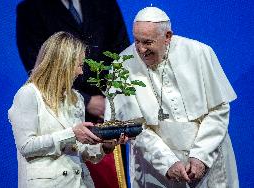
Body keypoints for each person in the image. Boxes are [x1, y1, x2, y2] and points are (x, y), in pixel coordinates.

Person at [105, 7, 239, 188]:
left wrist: (201, 156)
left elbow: (218, 109)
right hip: (156, 168)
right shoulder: (122, 64)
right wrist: (167, 163)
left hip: (208, 159)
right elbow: (135, 127)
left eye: (148, 42)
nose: (141, 49)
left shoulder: (200, 53)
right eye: (137, 41)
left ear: (167, 36)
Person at [16, 1, 130, 187]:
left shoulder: (75, 99)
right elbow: (26, 147)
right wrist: (71, 133)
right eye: (78, 65)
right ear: (62, 64)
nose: (81, 72)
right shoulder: (28, 96)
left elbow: (80, 150)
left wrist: (105, 147)